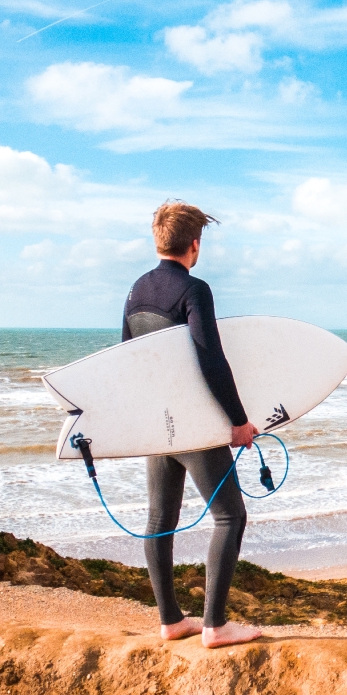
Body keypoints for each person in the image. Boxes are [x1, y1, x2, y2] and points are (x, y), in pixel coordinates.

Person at [124, 202, 260, 649]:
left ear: (158, 240)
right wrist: (239, 421)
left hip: (156, 426)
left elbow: (126, 360)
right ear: (194, 245)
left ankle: (170, 620)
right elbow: (210, 358)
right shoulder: (195, 290)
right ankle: (215, 625)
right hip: (191, 425)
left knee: (160, 519)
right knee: (230, 516)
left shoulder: (136, 290)